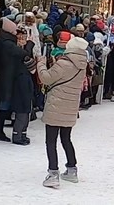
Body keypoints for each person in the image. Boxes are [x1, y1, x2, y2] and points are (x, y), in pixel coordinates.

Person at [37, 35, 88, 188]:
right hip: (70, 106)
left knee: (51, 141)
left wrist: (41, 64)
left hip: (56, 105)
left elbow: (46, 78)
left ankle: (53, 173)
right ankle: (72, 170)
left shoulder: (64, 63)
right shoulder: (81, 64)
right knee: (66, 138)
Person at [0, 18, 34, 145]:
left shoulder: (5, 41)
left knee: (4, 104)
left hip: (9, 76)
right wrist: (29, 45)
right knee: (4, 105)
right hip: (9, 77)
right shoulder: (7, 43)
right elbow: (23, 54)